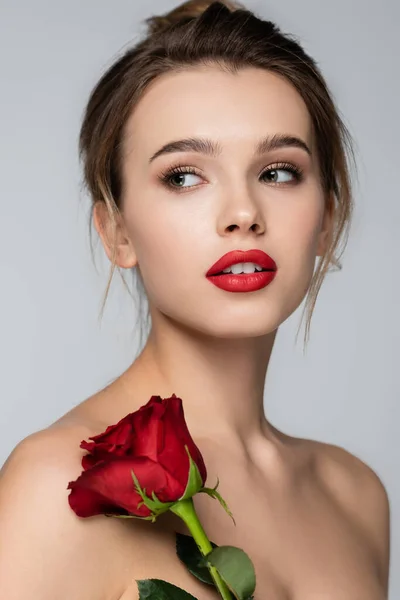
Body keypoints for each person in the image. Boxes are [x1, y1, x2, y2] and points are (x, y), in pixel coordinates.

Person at [0, 1, 391, 598]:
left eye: (279, 172)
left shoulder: (355, 495)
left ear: (329, 218)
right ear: (117, 232)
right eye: (184, 176)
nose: (242, 214)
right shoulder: (56, 485)